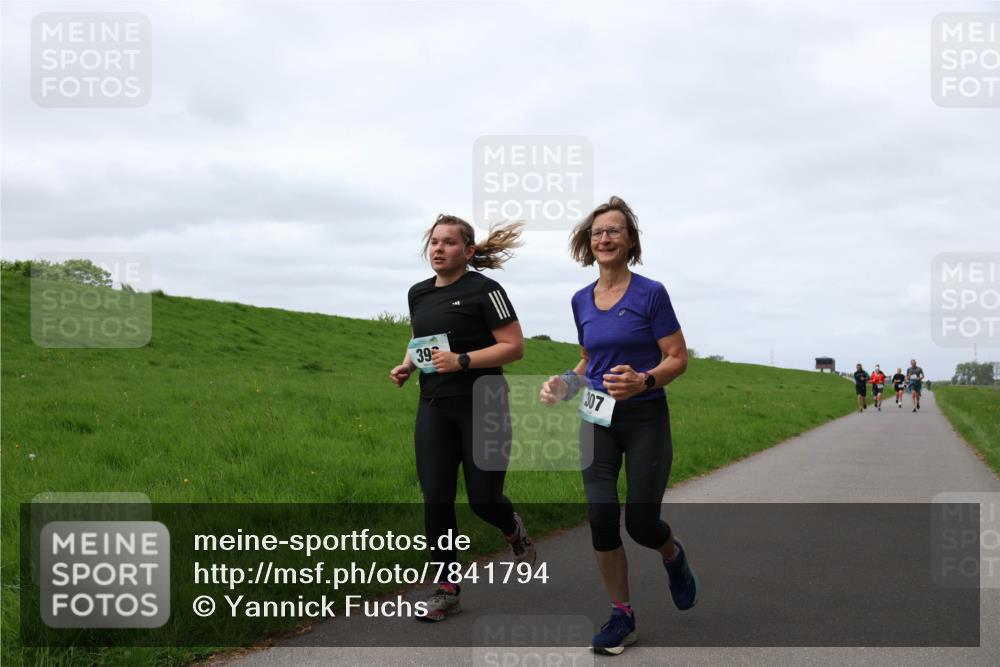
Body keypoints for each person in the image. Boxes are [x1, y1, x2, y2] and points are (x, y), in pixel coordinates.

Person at [538, 196, 696, 656]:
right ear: (588, 242)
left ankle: (673, 555)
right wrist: (565, 384)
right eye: (597, 232)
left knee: (642, 525)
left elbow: (677, 357)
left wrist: (643, 380)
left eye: (614, 231)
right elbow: (588, 360)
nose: (604, 238)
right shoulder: (580, 300)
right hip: (597, 417)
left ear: (630, 241)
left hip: (645, 417)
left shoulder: (651, 293)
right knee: (601, 515)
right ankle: (621, 616)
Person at [389, 214, 535, 622]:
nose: (438, 248)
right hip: (435, 406)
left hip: (484, 405)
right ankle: (447, 588)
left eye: (449, 242)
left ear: (468, 251)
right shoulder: (418, 293)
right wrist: (408, 365)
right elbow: (420, 339)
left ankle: (513, 530)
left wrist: (463, 360)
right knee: (436, 498)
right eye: (434, 242)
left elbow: (514, 346)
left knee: (484, 499)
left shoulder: (486, 290)